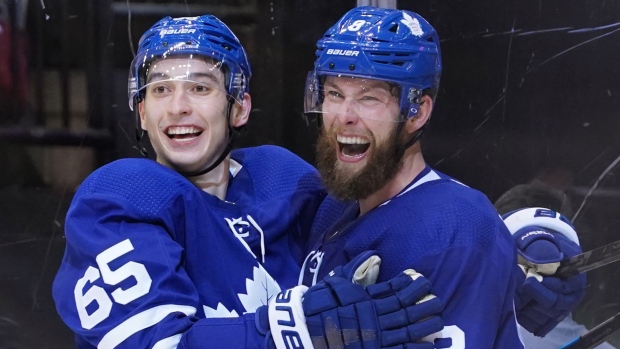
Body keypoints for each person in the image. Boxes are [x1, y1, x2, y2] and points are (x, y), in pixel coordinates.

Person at [52, 14, 443, 349]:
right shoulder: (124, 197)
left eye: (200, 88)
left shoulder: (285, 181)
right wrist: (288, 332)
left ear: (239, 107)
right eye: (160, 90)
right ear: (141, 112)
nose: (177, 106)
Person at [297, 6, 585, 348]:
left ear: (417, 112)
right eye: (334, 94)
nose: (344, 115)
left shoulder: (456, 228)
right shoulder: (334, 205)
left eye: (369, 98)